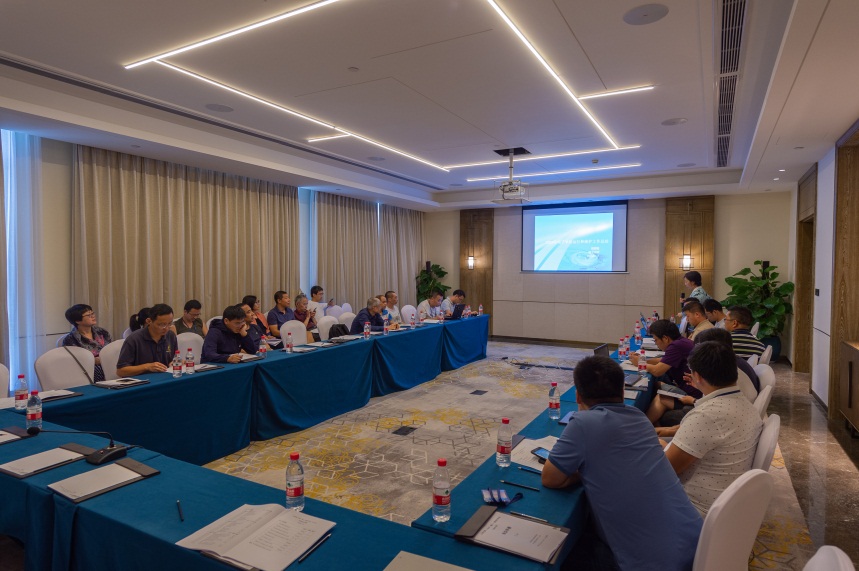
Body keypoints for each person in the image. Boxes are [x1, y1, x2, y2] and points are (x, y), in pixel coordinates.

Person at [542, 356, 702, 571]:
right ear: (622, 392)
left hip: (651, 563)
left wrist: (586, 468)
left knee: (564, 553)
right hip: (697, 549)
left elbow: (550, 478)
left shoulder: (582, 423)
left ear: (578, 396)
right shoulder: (639, 417)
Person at [664, 341, 763, 516]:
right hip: (723, 506)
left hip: (691, 510)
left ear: (697, 376)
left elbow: (664, 471)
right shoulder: (746, 405)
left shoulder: (707, 416)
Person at [656, 327, 760, 437]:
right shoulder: (731, 365)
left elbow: (714, 408)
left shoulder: (723, 372)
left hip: (723, 423)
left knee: (666, 414)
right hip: (735, 420)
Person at [629, 320, 700, 426]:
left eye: (656, 340)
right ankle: (655, 421)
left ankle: (642, 427)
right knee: (657, 384)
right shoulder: (681, 341)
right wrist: (644, 360)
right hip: (692, 388)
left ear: (665, 338)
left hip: (693, 396)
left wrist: (639, 363)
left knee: (661, 397)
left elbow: (657, 371)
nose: (656, 343)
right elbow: (664, 360)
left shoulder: (676, 346)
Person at [116, 304, 179, 376]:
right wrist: (147, 367)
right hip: (142, 380)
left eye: (169, 324)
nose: (166, 328)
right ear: (149, 321)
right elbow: (120, 371)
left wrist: (176, 362)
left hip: (165, 377)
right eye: (161, 324)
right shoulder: (134, 339)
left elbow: (173, 359)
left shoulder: (170, 336)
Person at [61, 304, 113, 382]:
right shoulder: (70, 339)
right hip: (88, 370)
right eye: (89, 315)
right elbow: (74, 361)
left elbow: (111, 349)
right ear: (78, 321)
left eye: (92, 313)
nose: (93, 316)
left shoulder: (102, 332)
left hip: (108, 363)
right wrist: (94, 360)